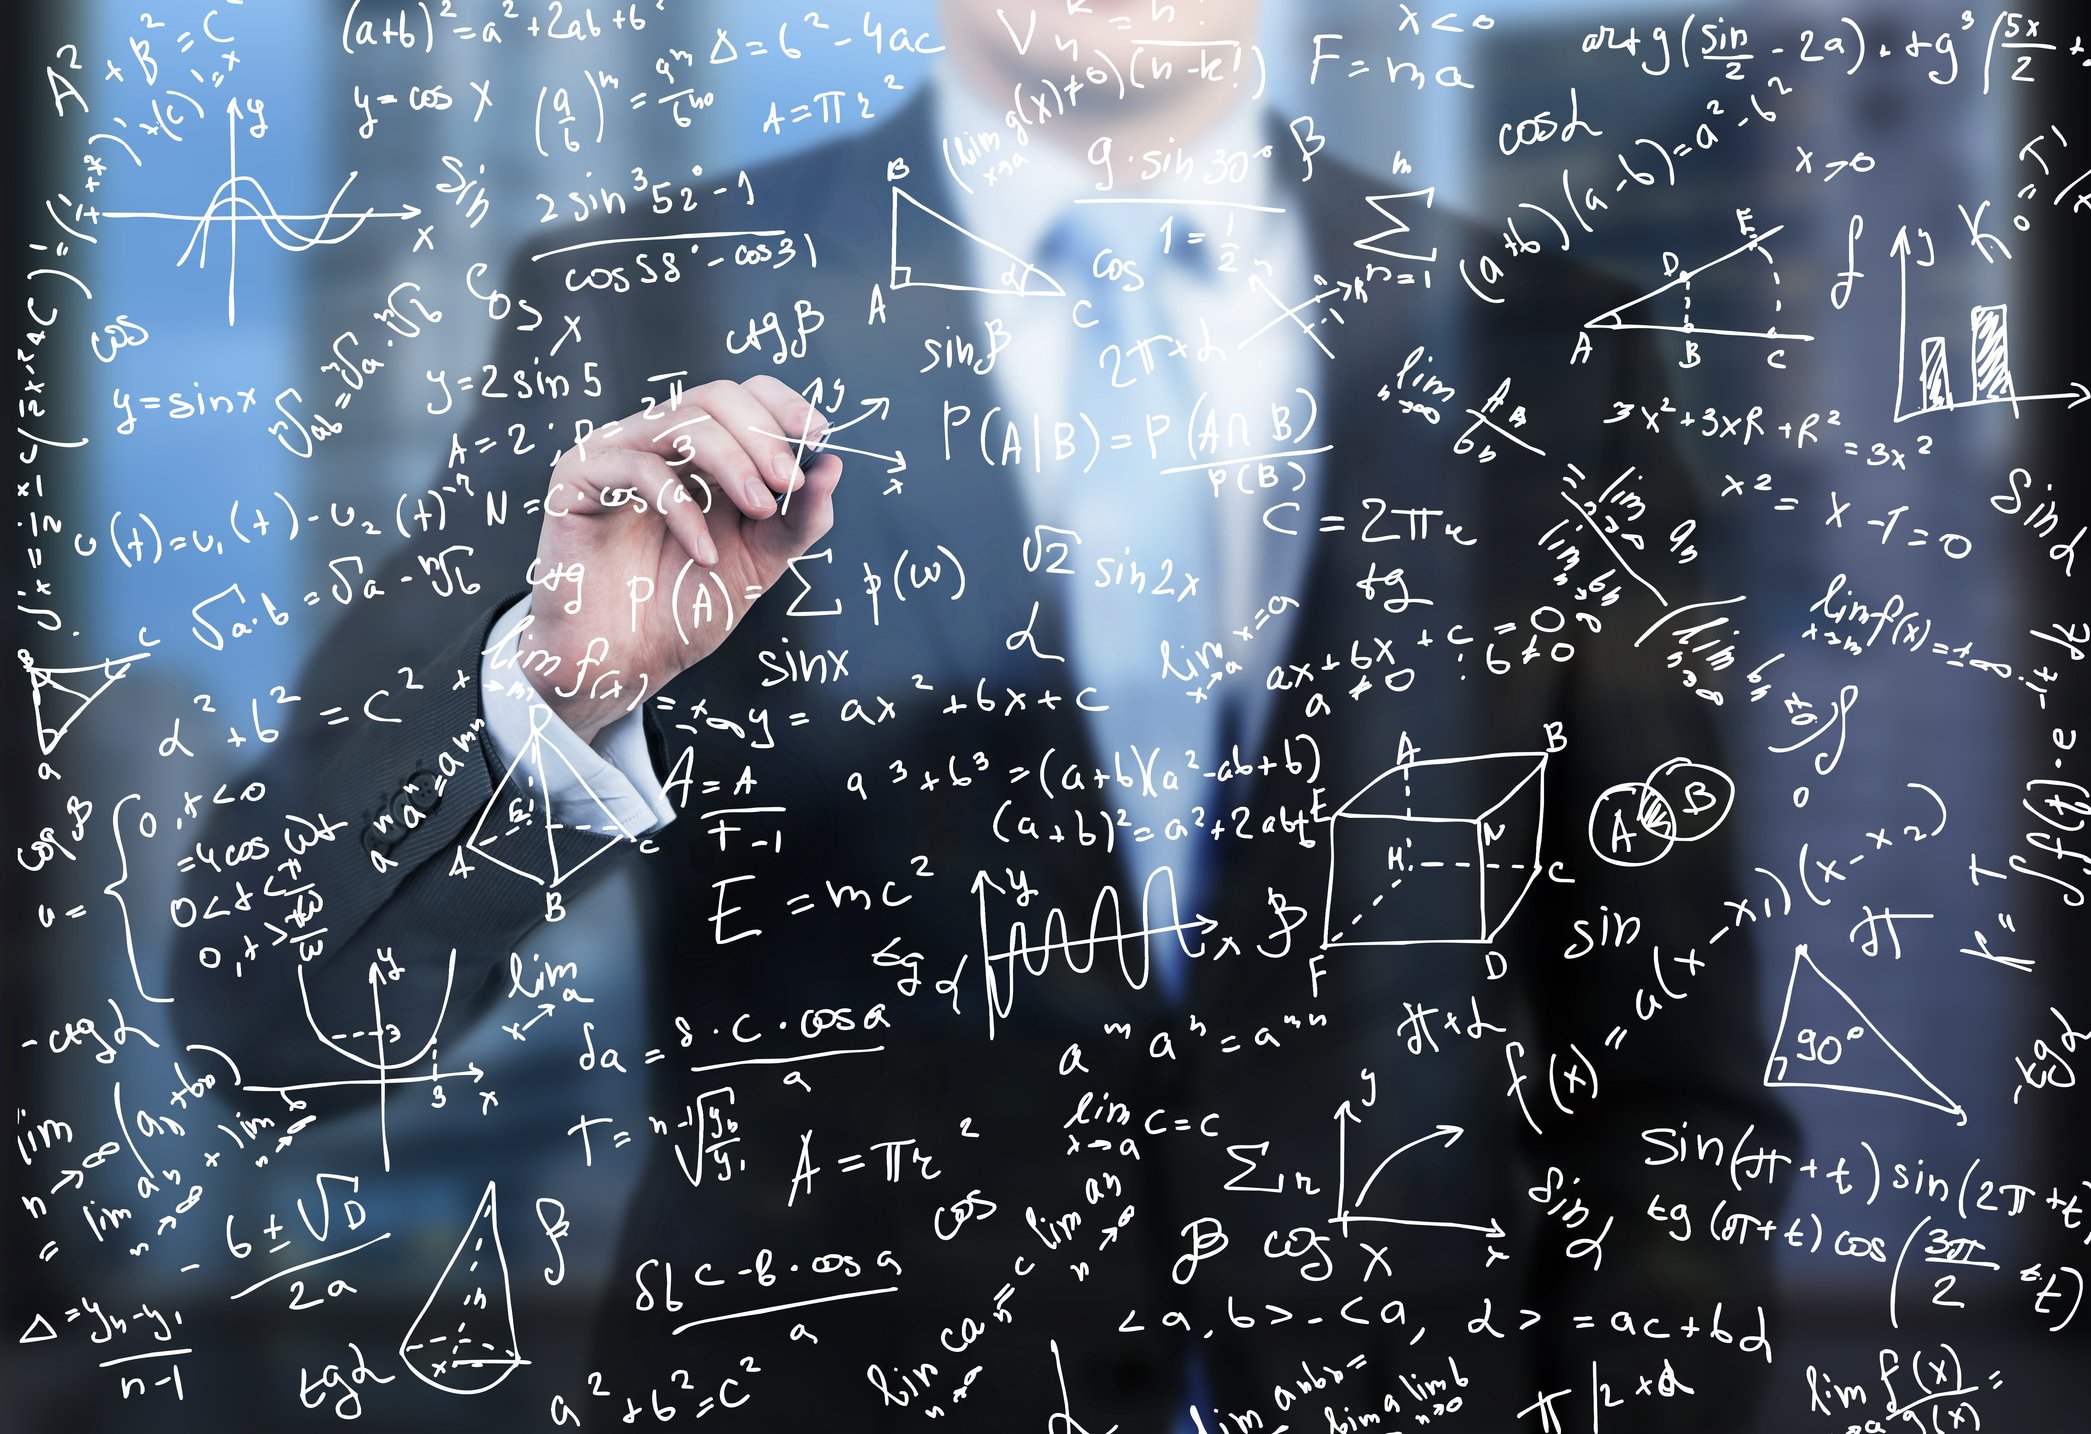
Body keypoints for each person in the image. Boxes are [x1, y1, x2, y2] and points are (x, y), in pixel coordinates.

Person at [178, 2, 1788, 1426]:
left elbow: (1665, 1058)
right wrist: (559, 691)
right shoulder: (649, 308)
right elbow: (263, 1022)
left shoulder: (1542, 343)